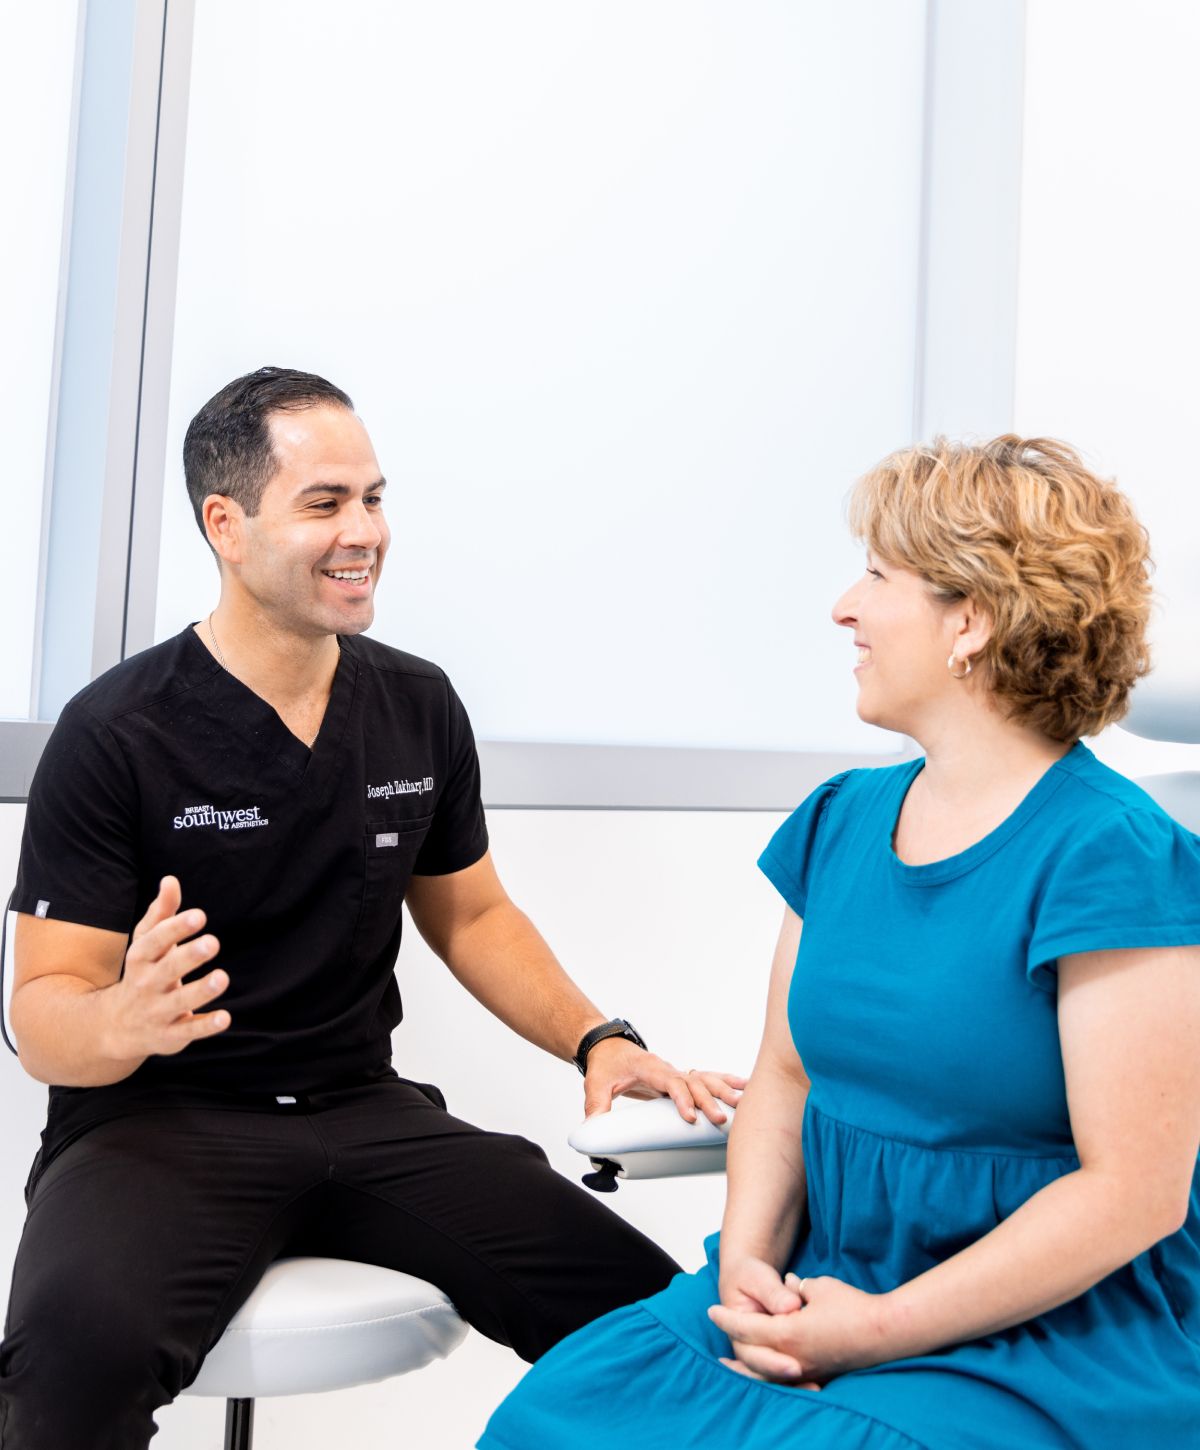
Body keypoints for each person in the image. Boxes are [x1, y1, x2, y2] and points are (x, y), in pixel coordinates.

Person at [0, 366, 743, 1450]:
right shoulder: (118, 733)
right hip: (161, 1126)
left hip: (363, 1109)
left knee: (654, 1327)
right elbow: (43, 1010)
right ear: (227, 525)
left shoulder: (416, 704)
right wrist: (120, 1023)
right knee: (67, 1371)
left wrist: (597, 1035)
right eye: (325, 502)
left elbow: (476, 917)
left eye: (374, 498)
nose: (366, 531)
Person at [478, 435, 1200, 1450]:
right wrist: (747, 1273)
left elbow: (1134, 1192)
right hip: (828, 1272)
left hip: (1045, 1328)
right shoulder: (842, 820)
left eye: (877, 575)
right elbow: (784, 1074)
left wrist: (875, 1330)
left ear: (973, 622)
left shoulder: (1113, 854)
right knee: (553, 1418)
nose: (843, 608)